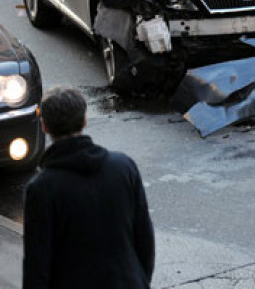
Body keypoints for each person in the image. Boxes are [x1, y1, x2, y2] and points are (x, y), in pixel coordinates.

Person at [22, 87, 155, 288]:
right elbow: (145, 240)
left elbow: (37, 265)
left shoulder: (42, 189)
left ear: (45, 126)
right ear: (84, 120)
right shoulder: (123, 167)